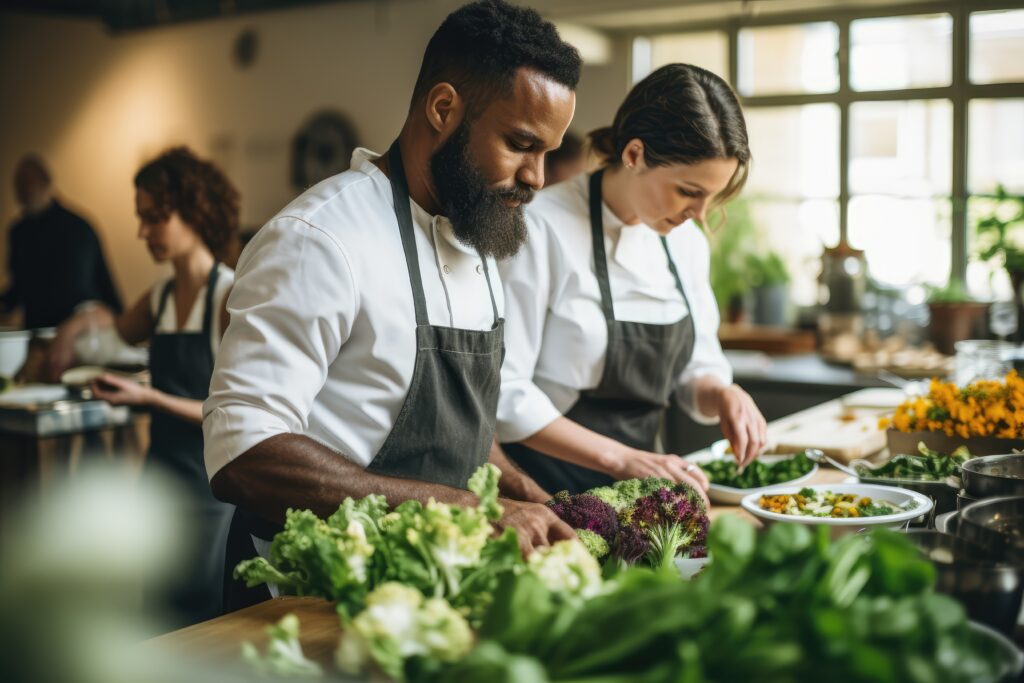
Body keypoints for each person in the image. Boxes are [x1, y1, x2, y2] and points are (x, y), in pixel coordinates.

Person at [204, 0, 581, 612]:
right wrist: (468, 508)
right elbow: (242, 455)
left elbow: (455, 426)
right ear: (443, 108)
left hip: (431, 590)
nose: (538, 177)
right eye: (520, 144)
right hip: (308, 598)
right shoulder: (319, 239)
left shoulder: (478, 240)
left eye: (547, 152)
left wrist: (530, 497)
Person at [497, 64, 768, 497]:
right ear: (635, 154)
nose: (699, 215)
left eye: (711, 197)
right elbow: (505, 394)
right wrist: (620, 459)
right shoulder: (540, 228)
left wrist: (722, 394)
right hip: (545, 491)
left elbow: (695, 370)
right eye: (688, 191)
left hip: (645, 493)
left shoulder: (684, 243)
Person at [49, 147, 239, 629]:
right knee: (155, 619)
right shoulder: (157, 298)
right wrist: (77, 324)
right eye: (142, 218)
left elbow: (234, 414)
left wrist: (148, 396)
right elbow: (108, 338)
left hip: (209, 491)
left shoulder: (229, 294)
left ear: (194, 211)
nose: (143, 232)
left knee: (201, 623)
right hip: (159, 485)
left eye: (156, 217)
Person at [1, 155, 122, 330]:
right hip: (37, 331)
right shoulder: (18, 232)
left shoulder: (76, 228)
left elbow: (89, 285)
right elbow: (19, 287)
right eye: (18, 184)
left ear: (45, 182)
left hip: (78, 331)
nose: (21, 190)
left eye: (27, 182)